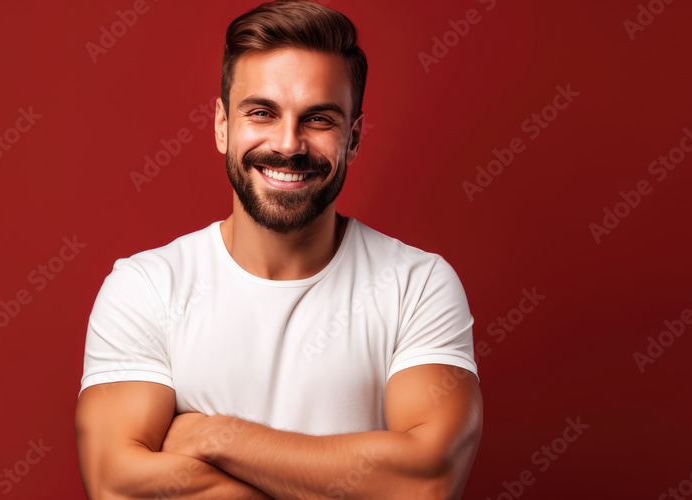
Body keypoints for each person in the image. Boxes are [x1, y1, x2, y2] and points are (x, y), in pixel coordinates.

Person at [75, 1, 482, 498]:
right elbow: (117, 486)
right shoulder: (145, 288)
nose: (289, 144)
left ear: (352, 139)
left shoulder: (418, 285)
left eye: (318, 119)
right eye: (262, 112)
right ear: (223, 126)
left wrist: (213, 436)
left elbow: (427, 484)